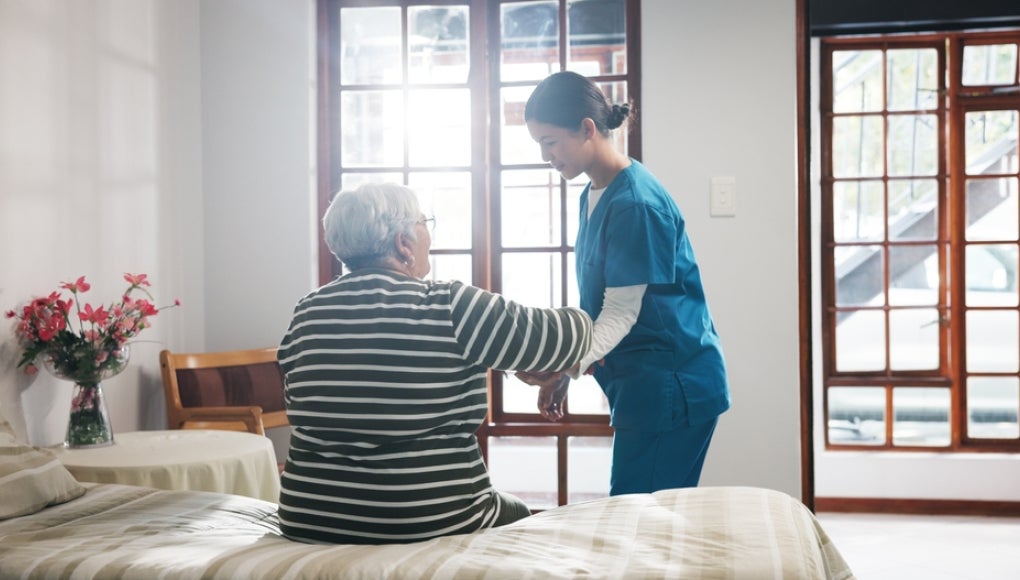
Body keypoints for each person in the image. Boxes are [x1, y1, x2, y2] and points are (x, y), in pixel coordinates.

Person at [276, 182, 593, 545]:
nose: (429, 235)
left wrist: (498, 358)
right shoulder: (448, 305)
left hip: (310, 516)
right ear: (402, 243)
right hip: (426, 516)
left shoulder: (307, 311)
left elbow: (312, 373)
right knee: (519, 514)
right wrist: (522, 359)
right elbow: (569, 336)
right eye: (425, 222)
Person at [519, 70, 730, 496]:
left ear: (586, 128)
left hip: (672, 383)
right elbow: (598, 299)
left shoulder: (636, 203)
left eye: (549, 142)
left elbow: (620, 312)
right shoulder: (595, 192)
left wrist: (564, 365)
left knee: (639, 522)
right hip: (644, 383)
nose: (546, 157)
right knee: (643, 520)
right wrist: (568, 372)